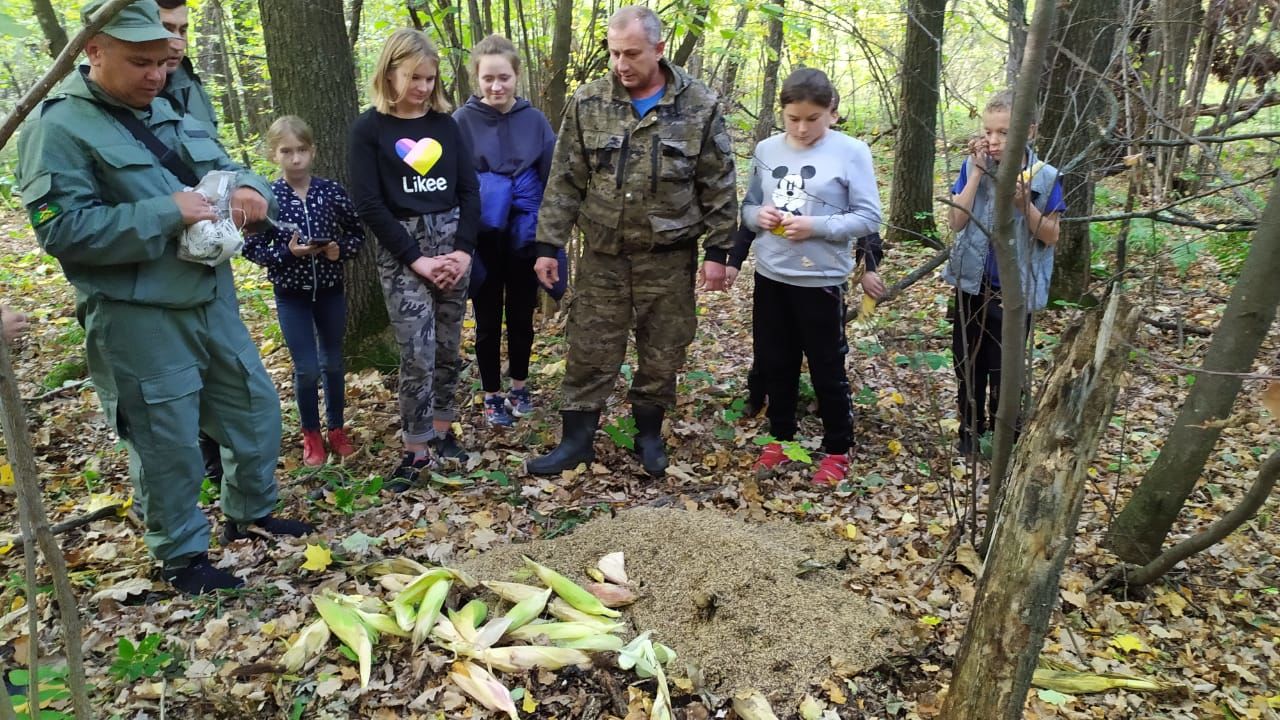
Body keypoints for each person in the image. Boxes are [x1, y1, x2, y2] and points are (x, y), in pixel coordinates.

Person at [17, 0, 312, 594]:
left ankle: (249, 514)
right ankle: (182, 556)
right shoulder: (57, 127)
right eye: (140, 62)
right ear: (93, 51)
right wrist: (163, 212)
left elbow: (229, 165)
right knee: (167, 441)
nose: (156, 73)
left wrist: (253, 191)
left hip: (209, 294)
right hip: (138, 314)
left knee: (255, 409)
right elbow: (62, 231)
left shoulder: (171, 104)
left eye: (161, 62)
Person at [525, 5, 738, 478]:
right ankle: (576, 442)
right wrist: (547, 245)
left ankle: (648, 436)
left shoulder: (699, 105)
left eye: (632, 54)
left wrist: (721, 252)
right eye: (615, 53)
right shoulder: (589, 102)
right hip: (603, 253)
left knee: (663, 351)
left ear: (659, 50)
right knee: (589, 348)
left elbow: (718, 182)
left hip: (669, 256)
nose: (622, 64)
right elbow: (565, 180)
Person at [349, 28, 479, 490]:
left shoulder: (447, 125)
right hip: (403, 253)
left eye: (430, 78)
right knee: (416, 351)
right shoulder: (370, 129)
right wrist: (416, 260)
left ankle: (443, 431)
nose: (423, 87)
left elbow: (468, 189)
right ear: (389, 73)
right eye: (414, 77)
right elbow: (367, 203)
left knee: (447, 346)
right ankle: (415, 447)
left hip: (452, 249)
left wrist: (462, 250)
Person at [739, 68, 882, 485]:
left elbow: (869, 216)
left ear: (832, 114)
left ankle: (838, 446)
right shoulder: (767, 148)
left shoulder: (851, 152)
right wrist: (758, 216)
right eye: (793, 118)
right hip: (771, 274)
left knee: (826, 366)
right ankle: (781, 437)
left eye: (812, 119)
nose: (802, 128)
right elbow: (747, 207)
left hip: (821, 279)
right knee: (774, 362)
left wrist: (816, 226)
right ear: (782, 113)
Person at [944, 90, 1064, 456]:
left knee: (1005, 370)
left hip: (1014, 295)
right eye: (989, 131)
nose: (994, 141)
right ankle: (969, 429)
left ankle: (1004, 436)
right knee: (967, 364)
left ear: (1029, 131)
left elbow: (1051, 235)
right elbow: (956, 221)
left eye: (1004, 132)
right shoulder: (973, 166)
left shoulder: (1044, 177)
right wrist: (977, 176)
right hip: (971, 284)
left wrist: (1024, 204)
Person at [243, 116, 363, 466]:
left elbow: (356, 233)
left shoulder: (331, 191)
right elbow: (250, 247)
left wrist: (340, 249)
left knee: (333, 363)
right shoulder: (267, 196)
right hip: (290, 294)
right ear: (273, 154)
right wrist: (287, 253)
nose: (295, 159)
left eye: (301, 150)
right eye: (286, 151)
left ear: (313, 151)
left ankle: (337, 429)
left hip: (330, 290)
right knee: (307, 368)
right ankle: (311, 433)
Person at [453, 34, 556, 428]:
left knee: (520, 314)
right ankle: (491, 393)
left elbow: (551, 178)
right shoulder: (461, 122)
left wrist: (548, 239)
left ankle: (520, 385)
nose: (496, 87)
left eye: (504, 78)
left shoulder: (534, 120)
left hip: (524, 231)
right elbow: (454, 181)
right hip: (481, 235)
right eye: (488, 79)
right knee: (487, 316)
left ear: (517, 76)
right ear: (476, 79)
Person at [155, 0, 217, 132]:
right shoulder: (119, 92)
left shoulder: (191, 85)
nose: (178, 45)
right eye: (165, 29)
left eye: (183, 31)